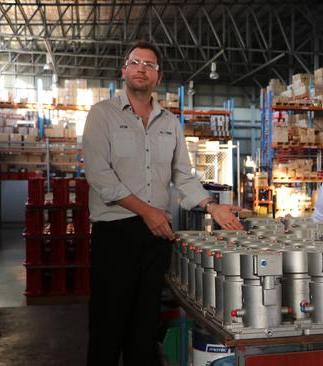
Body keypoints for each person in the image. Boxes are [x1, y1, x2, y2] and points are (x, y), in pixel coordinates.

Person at [83, 40, 244, 366]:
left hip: (155, 237)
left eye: (149, 64)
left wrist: (212, 207)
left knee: (144, 327)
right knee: (108, 324)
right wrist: (147, 211)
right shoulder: (102, 115)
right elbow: (99, 176)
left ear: (158, 76)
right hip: (115, 233)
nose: (142, 68)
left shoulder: (169, 123)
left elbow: (183, 176)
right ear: (124, 70)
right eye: (135, 62)